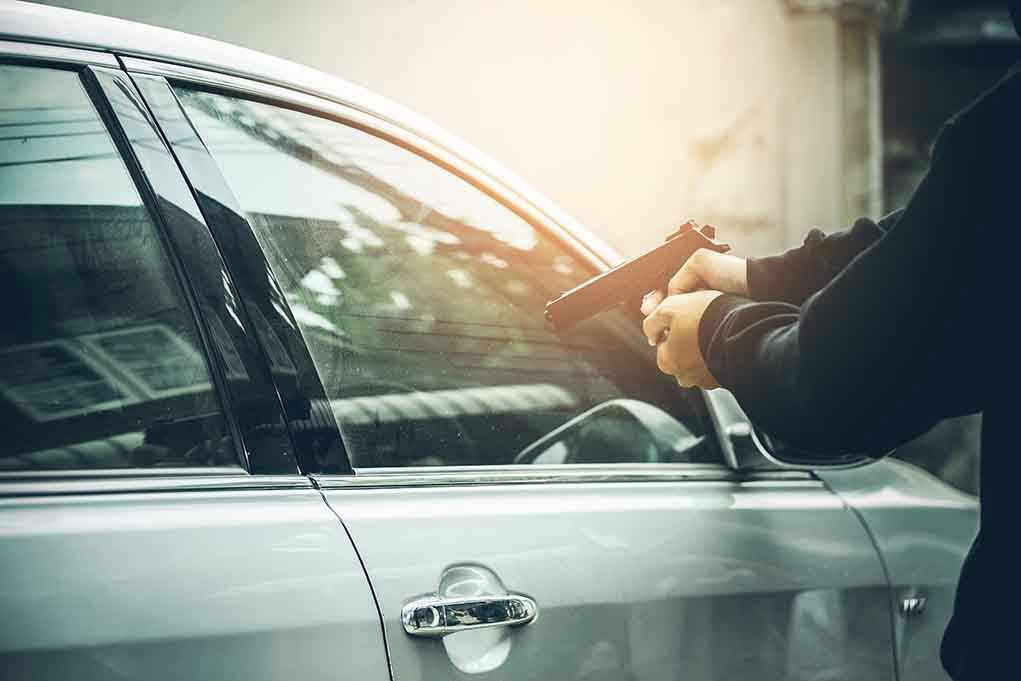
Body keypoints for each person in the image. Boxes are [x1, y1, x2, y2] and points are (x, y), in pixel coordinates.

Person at [639, 3, 1021, 679]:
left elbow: (839, 384)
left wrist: (716, 332)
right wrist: (756, 277)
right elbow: (933, 245)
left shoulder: (1002, 142)